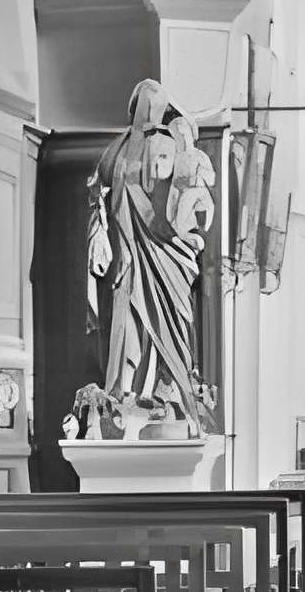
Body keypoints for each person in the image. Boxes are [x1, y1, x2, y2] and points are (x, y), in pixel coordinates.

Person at [87, 79, 223, 430]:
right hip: (153, 256)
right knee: (157, 323)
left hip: (138, 257)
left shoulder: (114, 150)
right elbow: (191, 214)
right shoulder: (165, 146)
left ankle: (131, 394)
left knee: (134, 319)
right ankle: (151, 392)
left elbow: (99, 200)